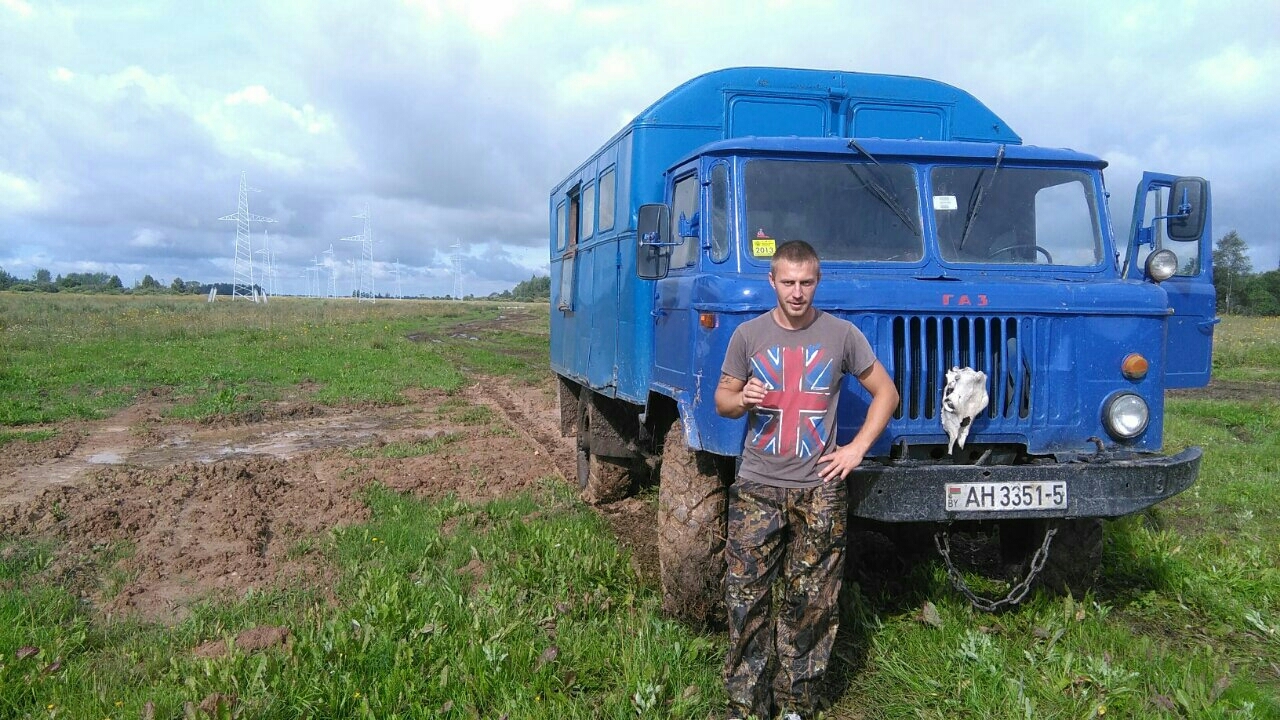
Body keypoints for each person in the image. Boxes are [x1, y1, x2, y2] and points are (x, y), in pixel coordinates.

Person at [714, 240, 898, 720]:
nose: (797, 292)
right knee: (745, 599)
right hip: (757, 485)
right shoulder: (748, 336)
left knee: (812, 601)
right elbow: (722, 400)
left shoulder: (841, 335)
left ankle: (796, 702)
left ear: (818, 281)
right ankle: (745, 705)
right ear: (772, 281)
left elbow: (886, 392)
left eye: (806, 282)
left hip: (819, 488)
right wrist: (743, 398)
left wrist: (856, 449)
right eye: (788, 282)